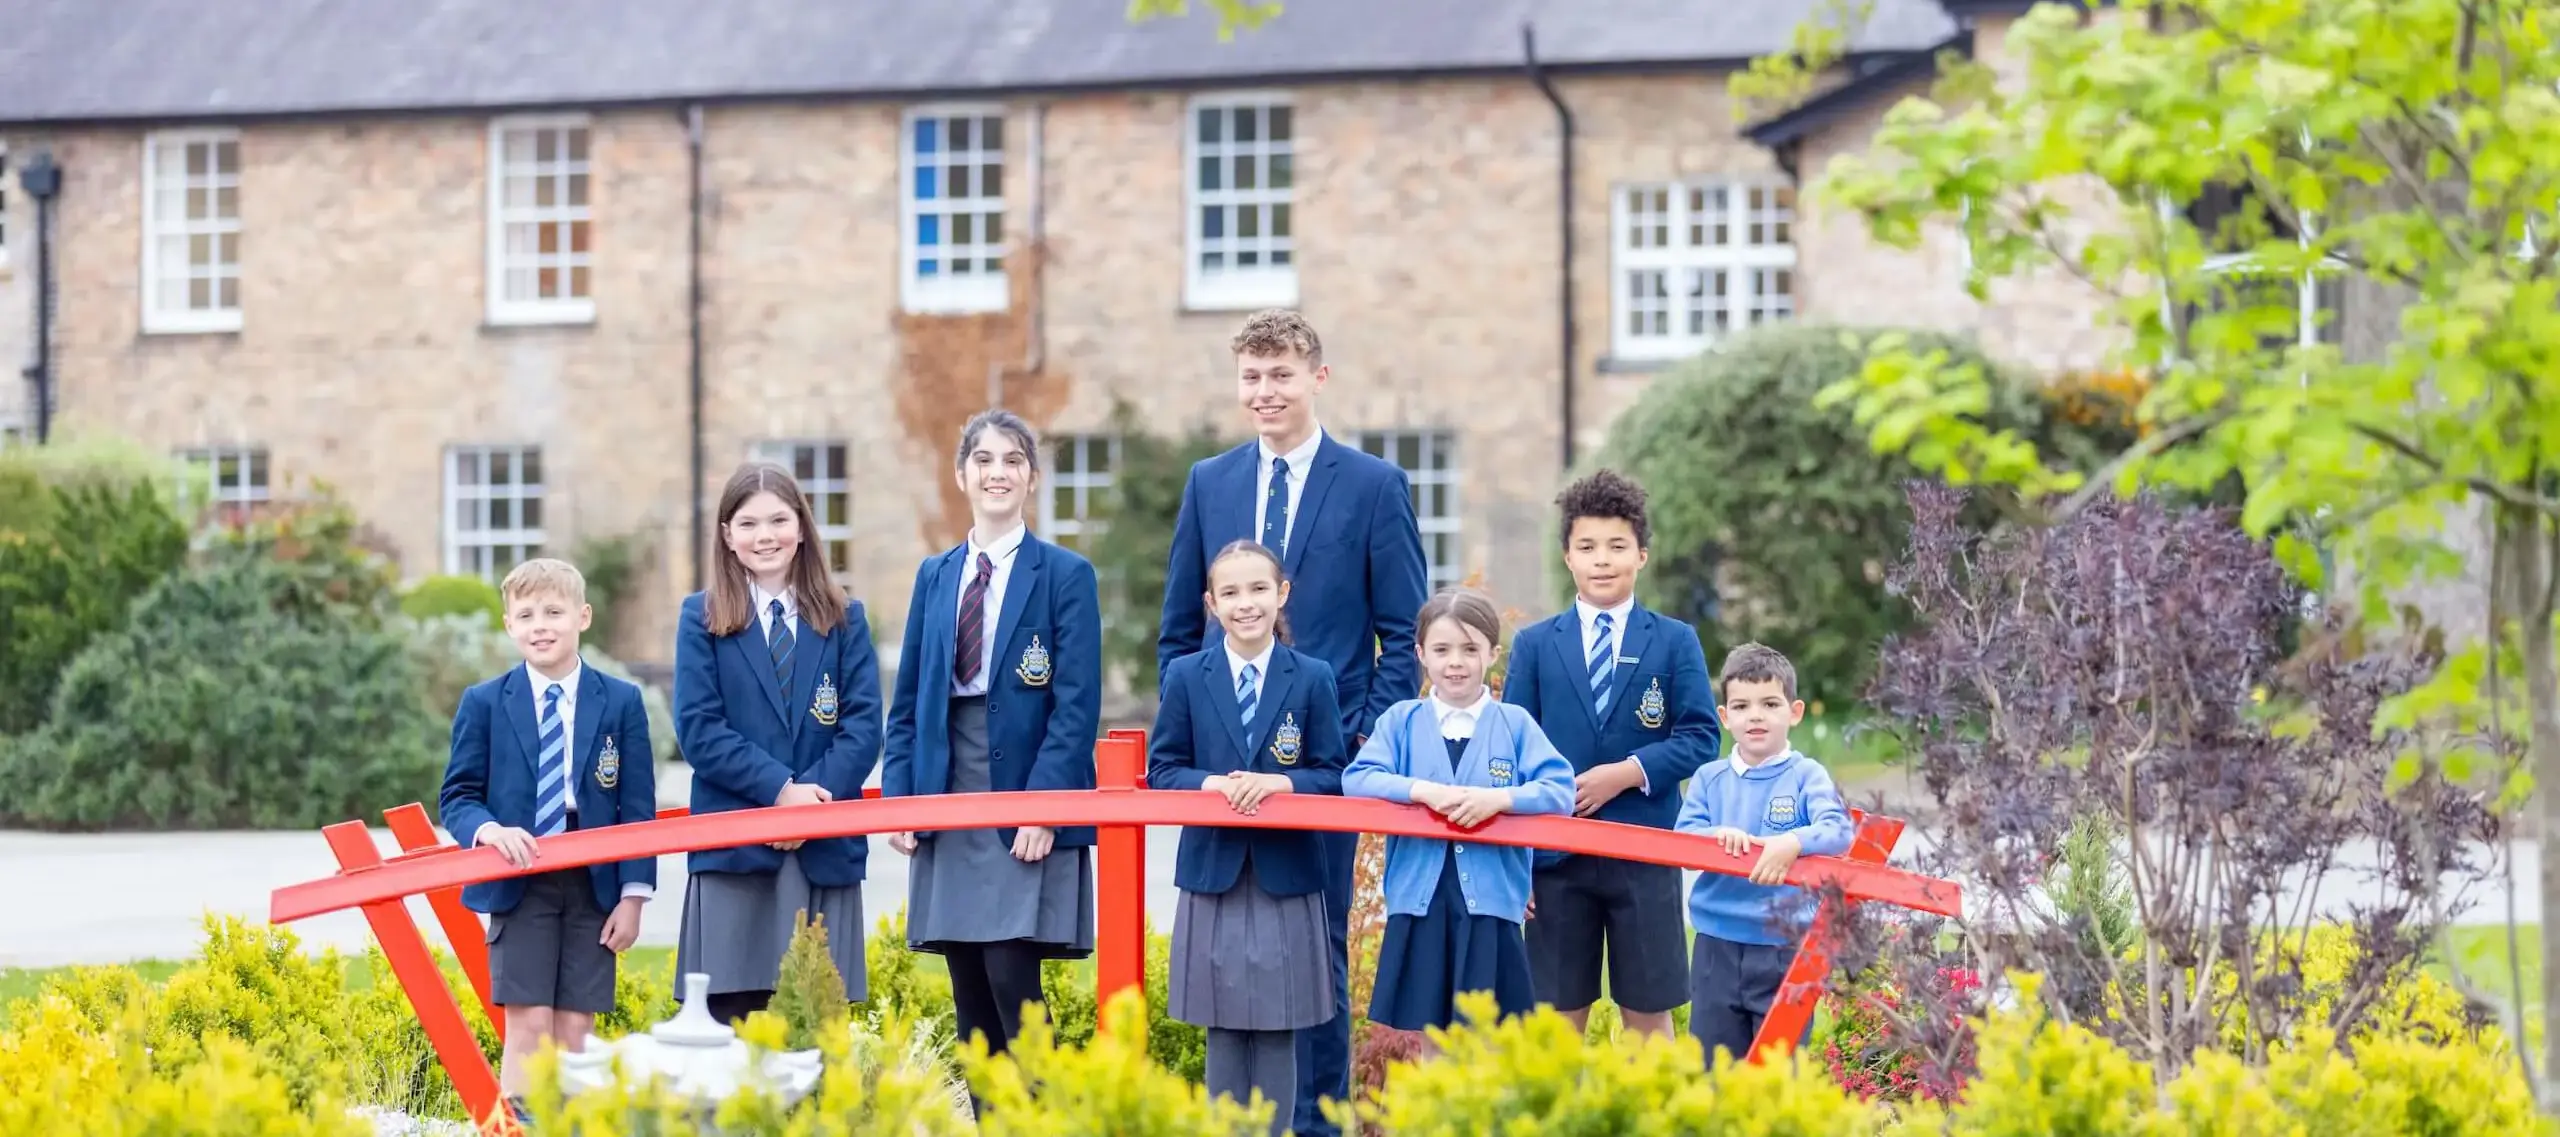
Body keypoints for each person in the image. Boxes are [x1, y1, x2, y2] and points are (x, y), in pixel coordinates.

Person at [1157, 308, 1429, 1134]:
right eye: (1251, 376)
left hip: (1320, 768)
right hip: (1217, 771)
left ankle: (1317, 1120)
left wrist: (1355, 743)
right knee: (1222, 943)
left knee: (1318, 946)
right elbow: (1179, 627)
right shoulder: (1210, 481)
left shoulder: (1374, 485)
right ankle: (1238, 1120)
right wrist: (1197, 739)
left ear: (1317, 376)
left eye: (1280, 374)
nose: (1264, 391)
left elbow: (1402, 632)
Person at [882, 409, 1102, 1072]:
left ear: (1031, 478)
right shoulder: (935, 575)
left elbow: (1075, 705)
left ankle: (1040, 1119)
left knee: (1014, 981)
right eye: (984, 459)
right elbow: (911, 699)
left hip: (1025, 790)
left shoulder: (1065, 575)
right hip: (950, 793)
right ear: (962, 475)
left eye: (1012, 460)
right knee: (971, 995)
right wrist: (902, 797)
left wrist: (1042, 806)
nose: (997, 471)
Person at [436, 557, 658, 1119]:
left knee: (575, 1027)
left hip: (595, 882)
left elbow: (637, 808)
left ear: (582, 616)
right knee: (529, 1021)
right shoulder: (485, 703)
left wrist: (633, 897)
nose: (541, 625)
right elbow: (458, 797)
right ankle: (520, 1129)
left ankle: (573, 1128)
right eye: (527, 614)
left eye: (554, 612)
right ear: (509, 625)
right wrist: (489, 830)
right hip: (518, 880)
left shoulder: (622, 701)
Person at [1503, 470, 1717, 1039]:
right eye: (1588, 547)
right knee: (1555, 1018)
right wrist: (1516, 863)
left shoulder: (1675, 641)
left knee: (1649, 1014)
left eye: (1617, 547)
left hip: (1643, 854)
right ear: (1567, 556)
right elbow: (1510, 751)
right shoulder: (1535, 645)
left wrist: (1625, 774)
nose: (1603, 560)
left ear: (1641, 555)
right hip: (1555, 859)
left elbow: (1700, 736)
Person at [674, 461, 884, 1026]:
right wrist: (779, 793)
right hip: (735, 846)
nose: (764, 536)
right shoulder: (701, 619)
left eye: (778, 520)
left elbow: (864, 727)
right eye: (748, 523)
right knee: (732, 1020)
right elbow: (699, 729)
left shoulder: (845, 619)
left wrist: (809, 803)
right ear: (727, 535)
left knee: (817, 1022)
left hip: (822, 846)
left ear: (802, 527)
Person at [1149, 540, 1347, 1133]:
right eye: (1230, 593)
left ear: (1281, 594)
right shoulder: (1186, 675)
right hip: (1214, 874)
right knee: (1224, 1023)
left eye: (1258, 589)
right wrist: (1216, 784)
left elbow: (1333, 773)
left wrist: (1280, 784)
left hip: (1287, 877)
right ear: (1211, 604)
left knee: (1281, 1026)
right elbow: (1164, 770)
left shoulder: (1313, 678)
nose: (1246, 604)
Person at [1344, 586, 1573, 1049]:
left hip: (1489, 908)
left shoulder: (1515, 725)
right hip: (1422, 904)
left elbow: (1559, 789)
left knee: (1486, 1037)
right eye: (1442, 649)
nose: (1456, 662)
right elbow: (1358, 778)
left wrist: (1501, 800)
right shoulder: (1402, 721)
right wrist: (1420, 790)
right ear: (1420, 655)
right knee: (1433, 1039)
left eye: (1470, 649)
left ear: (1493, 653)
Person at [1674, 642, 1855, 1067]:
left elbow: (1838, 829)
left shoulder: (1806, 774)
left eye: (1770, 703)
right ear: (1725, 717)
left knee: (1780, 1067)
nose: (1755, 715)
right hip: (1716, 945)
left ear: (1794, 712)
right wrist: (1716, 836)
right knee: (1715, 1066)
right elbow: (1685, 839)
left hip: (1783, 948)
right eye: (1741, 706)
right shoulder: (1708, 778)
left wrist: (1793, 842)